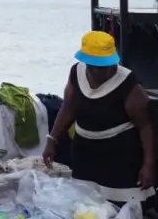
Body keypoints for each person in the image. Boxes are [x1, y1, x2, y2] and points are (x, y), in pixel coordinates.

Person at [43, 32, 155, 203]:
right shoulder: (76, 72)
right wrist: (52, 140)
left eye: (102, 66)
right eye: (92, 65)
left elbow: (146, 127)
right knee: (86, 205)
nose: (96, 71)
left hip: (120, 157)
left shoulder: (128, 84)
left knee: (120, 207)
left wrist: (148, 165)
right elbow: (67, 109)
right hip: (85, 153)